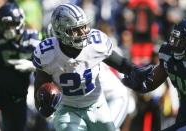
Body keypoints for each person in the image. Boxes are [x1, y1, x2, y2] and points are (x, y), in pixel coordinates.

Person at [32, 3, 133, 131]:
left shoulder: (95, 46)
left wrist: (136, 71)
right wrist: (43, 104)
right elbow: (40, 92)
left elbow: (123, 64)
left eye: (83, 27)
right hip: (68, 108)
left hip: (102, 102)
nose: (82, 33)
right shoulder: (47, 54)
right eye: (75, 30)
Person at [122, 19, 186, 131]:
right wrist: (139, 84)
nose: (174, 44)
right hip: (185, 115)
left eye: (181, 41)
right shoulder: (168, 55)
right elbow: (151, 82)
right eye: (174, 39)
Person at [0, 2, 40, 131]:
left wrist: (34, 66)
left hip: (17, 96)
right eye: (5, 25)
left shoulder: (33, 39)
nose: (8, 29)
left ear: (20, 22)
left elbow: (50, 65)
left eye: (11, 24)